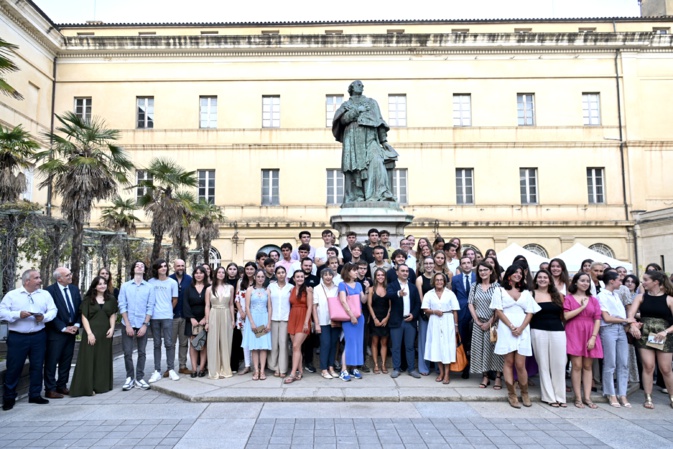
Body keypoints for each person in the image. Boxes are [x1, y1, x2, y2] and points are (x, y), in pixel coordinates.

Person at [332, 80, 397, 203]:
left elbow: (379, 121)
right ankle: (357, 196)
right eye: (358, 84)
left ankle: (380, 193)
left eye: (362, 85)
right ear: (351, 88)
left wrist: (384, 141)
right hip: (353, 138)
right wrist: (358, 111)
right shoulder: (346, 105)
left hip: (370, 137)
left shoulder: (372, 103)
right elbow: (342, 120)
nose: (361, 86)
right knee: (354, 167)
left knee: (377, 161)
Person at [1, 270, 57, 410]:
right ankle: (9, 397)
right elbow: (2, 313)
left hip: (38, 335)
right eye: (36, 278)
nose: (40, 280)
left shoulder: (44, 294)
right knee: (14, 367)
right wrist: (17, 314)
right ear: (27, 281)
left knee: (37, 366)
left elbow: (53, 310)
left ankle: (35, 394)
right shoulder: (12, 295)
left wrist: (43, 317)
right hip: (17, 336)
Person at [490, 265, 541, 408]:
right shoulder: (499, 290)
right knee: (509, 362)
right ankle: (512, 394)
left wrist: (521, 328)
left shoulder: (526, 292)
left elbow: (530, 312)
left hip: (523, 329)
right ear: (509, 275)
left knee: (520, 364)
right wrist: (512, 327)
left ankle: (524, 393)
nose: (518, 274)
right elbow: (498, 311)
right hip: (506, 328)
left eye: (520, 273)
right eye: (515, 272)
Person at [627, 270, 673, 409]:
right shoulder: (640, 297)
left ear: (656, 282)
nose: (643, 282)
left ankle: (672, 396)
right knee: (648, 366)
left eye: (646, 280)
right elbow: (630, 315)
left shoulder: (669, 299)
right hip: (645, 335)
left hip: (663, 336)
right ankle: (648, 397)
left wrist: (666, 332)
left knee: (665, 368)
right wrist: (633, 325)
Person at [69, 276, 117, 397]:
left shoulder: (111, 299)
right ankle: (87, 387)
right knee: (89, 358)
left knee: (103, 359)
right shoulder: (87, 300)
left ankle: (101, 386)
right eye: (99, 284)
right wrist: (89, 333)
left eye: (104, 283)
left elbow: (112, 314)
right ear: (95, 286)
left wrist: (112, 328)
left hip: (105, 333)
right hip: (91, 333)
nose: (102, 286)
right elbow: (84, 317)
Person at [564, 271, 604, 409]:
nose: (585, 283)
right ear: (575, 282)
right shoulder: (569, 298)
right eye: (582, 280)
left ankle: (587, 397)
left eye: (587, 281)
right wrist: (582, 307)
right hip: (574, 332)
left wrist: (593, 337)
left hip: (590, 332)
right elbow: (566, 316)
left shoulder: (594, 299)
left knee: (588, 366)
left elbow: (598, 319)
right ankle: (578, 397)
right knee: (576, 366)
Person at [597, 269, 635, 408]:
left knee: (623, 362)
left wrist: (625, 321)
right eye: (619, 279)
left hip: (620, 329)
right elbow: (606, 318)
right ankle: (610, 393)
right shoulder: (601, 296)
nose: (621, 282)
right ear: (611, 281)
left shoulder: (616, 295)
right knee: (610, 362)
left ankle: (622, 393)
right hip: (609, 329)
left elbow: (618, 315)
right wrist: (625, 319)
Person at [44, 267, 82, 398]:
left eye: (70, 274)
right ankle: (50, 389)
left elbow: (79, 309)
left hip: (72, 331)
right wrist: (62, 328)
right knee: (51, 361)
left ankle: (62, 386)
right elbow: (49, 313)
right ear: (59, 278)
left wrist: (76, 325)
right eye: (67, 275)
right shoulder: (49, 291)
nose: (70, 276)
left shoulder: (74, 289)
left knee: (66, 360)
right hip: (56, 332)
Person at [531, 269, 567, 407]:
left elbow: (562, 315)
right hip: (538, 330)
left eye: (545, 277)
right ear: (536, 280)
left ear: (549, 280)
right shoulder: (531, 294)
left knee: (559, 364)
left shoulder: (558, 295)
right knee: (544, 364)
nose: (542, 279)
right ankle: (549, 397)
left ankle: (560, 396)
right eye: (539, 277)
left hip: (558, 330)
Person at [118, 261, 156, 391]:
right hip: (127, 323)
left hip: (142, 324)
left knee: (142, 352)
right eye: (137, 265)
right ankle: (130, 377)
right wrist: (127, 325)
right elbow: (122, 305)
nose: (139, 267)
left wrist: (145, 325)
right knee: (127, 352)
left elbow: (150, 307)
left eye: (142, 266)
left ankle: (139, 377)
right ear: (133, 269)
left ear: (144, 270)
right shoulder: (125, 286)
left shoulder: (149, 287)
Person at [468, 262, 504, 390]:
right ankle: (485, 376)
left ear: (490, 271)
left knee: (494, 350)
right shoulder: (475, 286)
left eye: (485, 270)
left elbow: (499, 307)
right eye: (480, 270)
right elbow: (470, 304)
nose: (482, 272)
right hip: (478, 323)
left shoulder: (497, 287)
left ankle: (498, 377)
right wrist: (477, 320)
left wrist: (489, 322)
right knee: (480, 349)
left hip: (494, 323)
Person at [422, 272, 460, 384]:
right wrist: (434, 311)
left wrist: (456, 325)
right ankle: (441, 372)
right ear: (433, 281)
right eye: (437, 280)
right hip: (434, 321)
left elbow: (455, 310)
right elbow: (425, 309)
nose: (439, 282)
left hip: (448, 320)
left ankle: (447, 374)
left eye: (441, 280)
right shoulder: (429, 294)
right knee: (437, 346)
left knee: (447, 347)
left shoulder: (450, 294)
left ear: (444, 281)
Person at [387, 264, 422, 379]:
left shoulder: (412, 287)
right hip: (397, 321)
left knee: (410, 346)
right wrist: (398, 294)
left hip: (410, 321)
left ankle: (411, 369)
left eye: (407, 271)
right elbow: (388, 295)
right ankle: (396, 368)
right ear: (397, 272)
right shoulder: (392, 285)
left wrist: (414, 315)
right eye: (402, 271)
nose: (405, 273)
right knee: (396, 346)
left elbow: (418, 303)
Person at [148, 259, 179, 383]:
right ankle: (157, 371)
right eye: (161, 266)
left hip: (167, 316)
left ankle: (171, 369)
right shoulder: (150, 282)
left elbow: (175, 299)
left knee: (169, 343)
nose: (163, 268)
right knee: (156, 344)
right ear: (156, 269)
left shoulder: (172, 282)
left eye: (165, 266)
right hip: (154, 317)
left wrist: (168, 310)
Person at [337, 263, 367, 381]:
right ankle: (343, 369)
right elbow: (343, 301)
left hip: (360, 317)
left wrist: (368, 290)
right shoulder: (342, 285)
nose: (357, 272)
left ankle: (353, 368)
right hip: (349, 317)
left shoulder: (359, 284)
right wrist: (351, 316)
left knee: (358, 343)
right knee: (349, 343)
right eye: (354, 270)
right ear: (348, 272)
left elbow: (363, 300)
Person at [205, 266, 235, 379]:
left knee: (226, 341)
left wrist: (233, 320)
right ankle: (214, 369)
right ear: (215, 273)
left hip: (226, 314)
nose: (221, 274)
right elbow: (207, 306)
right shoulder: (209, 289)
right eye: (219, 272)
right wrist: (207, 321)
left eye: (223, 272)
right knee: (213, 341)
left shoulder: (230, 287)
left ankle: (225, 369)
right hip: (214, 314)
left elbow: (231, 304)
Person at [242, 270, 272, 380]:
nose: (260, 278)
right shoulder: (250, 290)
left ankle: (262, 371)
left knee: (263, 346)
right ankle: (256, 370)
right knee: (254, 346)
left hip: (263, 319)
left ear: (265, 278)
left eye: (262, 276)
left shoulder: (267, 290)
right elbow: (247, 307)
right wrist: (252, 322)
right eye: (258, 276)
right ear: (255, 277)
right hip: (253, 319)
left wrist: (269, 322)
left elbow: (269, 307)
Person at [285, 270, 314, 383]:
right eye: (298, 277)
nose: (300, 279)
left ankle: (292, 373)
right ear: (294, 278)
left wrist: (306, 322)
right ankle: (300, 371)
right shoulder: (291, 290)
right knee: (296, 347)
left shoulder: (308, 290)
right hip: (293, 318)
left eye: (302, 277)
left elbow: (310, 307)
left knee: (296, 345)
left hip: (303, 318)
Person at [313, 267, 341, 379]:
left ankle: (331, 367)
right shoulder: (317, 289)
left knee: (334, 345)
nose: (328, 277)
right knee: (325, 344)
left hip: (335, 321)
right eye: (325, 275)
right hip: (322, 321)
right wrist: (316, 323)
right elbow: (314, 307)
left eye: (330, 275)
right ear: (322, 276)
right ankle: (324, 369)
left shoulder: (337, 288)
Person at [452, 256, 476, 379]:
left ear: (472, 264)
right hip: (461, 314)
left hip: (476, 313)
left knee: (476, 341)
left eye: (468, 263)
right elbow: (453, 296)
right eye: (463, 263)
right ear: (460, 265)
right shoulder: (455, 279)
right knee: (464, 341)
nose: (466, 265)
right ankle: (465, 368)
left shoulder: (478, 277)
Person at [184, 266, 209, 378]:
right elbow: (185, 304)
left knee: (204, 344)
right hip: (192, 320)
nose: (198, 275)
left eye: (201, 273)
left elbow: (211, 304)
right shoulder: (189, 288)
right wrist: (191, 318)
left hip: (205, 320)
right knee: (193, 344)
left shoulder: (209, 288)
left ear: (205, 274)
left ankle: (202, 368)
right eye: (196, 273)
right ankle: (194, 369)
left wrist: (206, 318)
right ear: (193, 275)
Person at [268, 266, 292, 378]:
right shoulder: (271, 286)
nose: (281, 274)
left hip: (285, 318)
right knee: (274, 344)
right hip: (272, 318)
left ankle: (282, 368)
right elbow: (267, 302)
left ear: (286, 274)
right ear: (276, 274)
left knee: (283, 343)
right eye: (279, 273)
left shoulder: (290, 287)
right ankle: (275, 367)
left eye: (283, 272)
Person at [169, 259, 192, 375]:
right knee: (171, 343)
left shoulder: (189, 280)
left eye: (182, 265)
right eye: (178, 266)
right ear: (174, 267)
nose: (180, 268)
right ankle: (170, 367)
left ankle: (183, 366)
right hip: (172, 316)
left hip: (185, 316)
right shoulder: (169, 279)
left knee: (184, 343)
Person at [415, 256, 436, 376]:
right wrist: (426, 312)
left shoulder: (438, 277)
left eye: (431, 263)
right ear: (423, 265)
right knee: (423, 340)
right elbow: (421, 297)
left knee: (437, 340)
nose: (429, 265)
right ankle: (424, 367)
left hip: (438, 313)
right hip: (425, 313)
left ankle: (438, 367)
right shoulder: (420, 279)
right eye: (426, 263)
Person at [368, 267, 391, 374]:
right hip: (374, 318)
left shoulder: (388, 288)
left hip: (386, 318)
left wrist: (387, 318)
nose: (380, 277)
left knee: (384, 342)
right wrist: (374, 319)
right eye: (378, 275)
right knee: (374, 341)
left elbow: (391, 306)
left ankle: (383, 364)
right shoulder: (371, 289)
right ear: (375, 277)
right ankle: (376, 364)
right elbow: (369, 305)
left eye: (382, 275)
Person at [236, 262, 256, 375]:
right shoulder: (240, 282)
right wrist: (241, 311)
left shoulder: (259, 280)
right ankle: (247, 365)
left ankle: (255, 366)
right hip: (243, 315)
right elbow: (237, 298)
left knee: (256, 339)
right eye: (247, 269)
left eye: (251, 269)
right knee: (246, 341)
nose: (249, 271)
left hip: (256, 316)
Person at [224, 263, 243, 374]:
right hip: (225, 312)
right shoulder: (223, 282)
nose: (232, 271)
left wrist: (237, 308)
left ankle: (234, 365)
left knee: (235, 340)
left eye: (234, 269)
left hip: (237, 314)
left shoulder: (239, 282)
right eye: (230, 269)